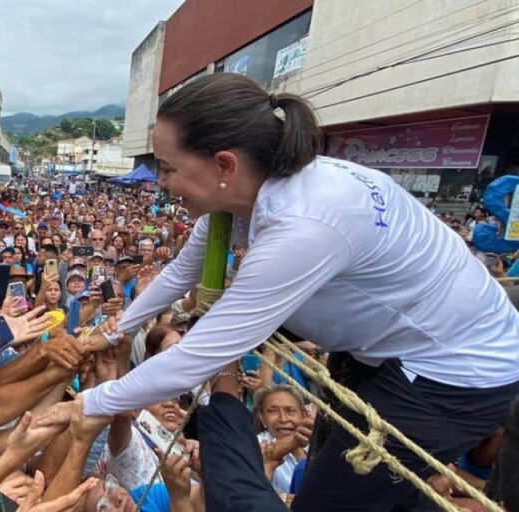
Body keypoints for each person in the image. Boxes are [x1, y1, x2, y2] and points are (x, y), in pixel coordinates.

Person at [51, 73, 519, 511]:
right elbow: (180, 273)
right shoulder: (242, 195)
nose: (161, 183)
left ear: (224, 165)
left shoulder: (304, 224)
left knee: (325, 502)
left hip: (453, 370)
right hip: (386, 348)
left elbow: (199, 356)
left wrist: (92, 402)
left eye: (169, 168)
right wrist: (118, 329)